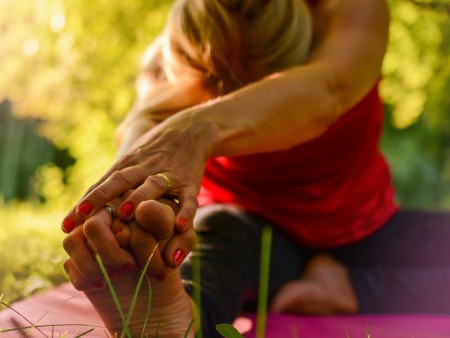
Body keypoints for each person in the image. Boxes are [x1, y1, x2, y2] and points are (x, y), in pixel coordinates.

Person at [61, 0, 450, 337]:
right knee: (217, 247)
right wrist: (125, 217)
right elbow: (142, 131)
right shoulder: (174, 52)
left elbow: (329, 89)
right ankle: (177, 321)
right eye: (220, 86)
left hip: (365, 229)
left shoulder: (351, 13)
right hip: (248, 227)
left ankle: (348, 287)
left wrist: (195, 127)